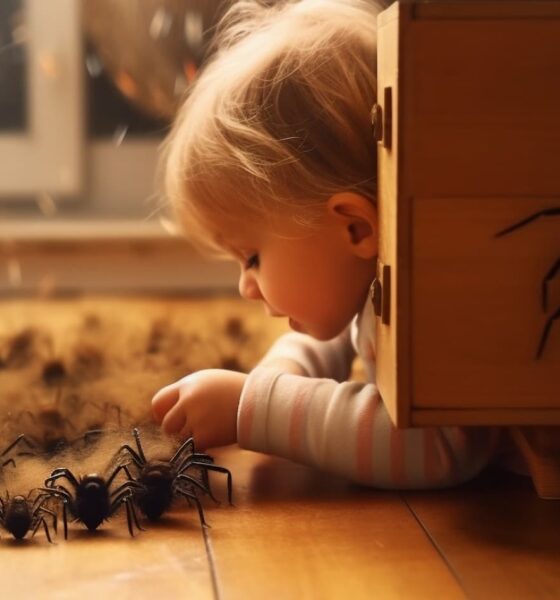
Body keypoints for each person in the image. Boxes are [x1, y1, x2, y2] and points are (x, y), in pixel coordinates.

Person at [151, 0, 499, 488]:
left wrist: (254, 410)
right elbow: (330, 339)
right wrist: (274, 377)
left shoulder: (428, 302)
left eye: (252, 257)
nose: (246, 287)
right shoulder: (367, 279)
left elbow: (437, 445)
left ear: (355, 229)